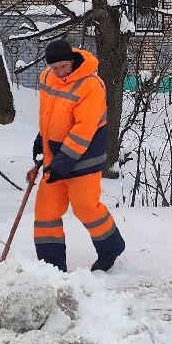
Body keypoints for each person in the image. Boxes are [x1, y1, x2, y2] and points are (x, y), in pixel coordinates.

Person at [28, 39, 126, 272]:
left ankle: (111, 248)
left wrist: (62, 163)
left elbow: (84, 130)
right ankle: (50, 267)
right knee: (46, 211)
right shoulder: (47, 78)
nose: (60, 72)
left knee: (85, 207)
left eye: (64, 66)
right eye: (55, 68)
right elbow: (49, 115)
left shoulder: (91, 85)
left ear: (72, 60)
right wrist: (41, 140)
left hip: (84, 159)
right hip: (56, 159)